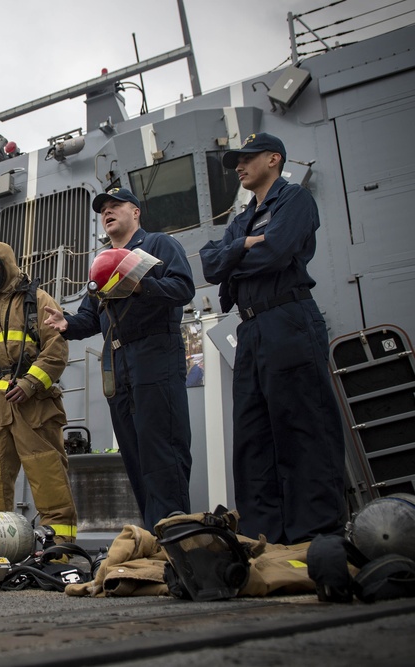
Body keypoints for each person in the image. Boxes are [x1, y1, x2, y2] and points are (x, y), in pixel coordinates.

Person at [200, 132, 346, 544]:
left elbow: (277, 252)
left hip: (288, 319)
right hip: (249, 330)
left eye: (247, 159)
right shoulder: (243, 219)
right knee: (253, 436)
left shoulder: (295, 201)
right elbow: (211, 266)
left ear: (274, 160)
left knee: (303, 426)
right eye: (237, 162)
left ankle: (315, 535)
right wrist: (243, 246)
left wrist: (236, 258)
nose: (239, 167)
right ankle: (264, 536)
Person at [44, 187, 195, 529]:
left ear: (136, 212)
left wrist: (140, 285)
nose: (107, 212)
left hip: (155, 355)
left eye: (115, 206)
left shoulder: (158, 245)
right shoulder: (101, 263)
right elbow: (89, 317)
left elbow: (183, 289)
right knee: (136, 456)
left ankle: (176, 536)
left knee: (163, 452)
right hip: (119, 365)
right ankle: (155, 535)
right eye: (103, 210)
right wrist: (66, 324)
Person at [0, 243, 77, 543]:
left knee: (48, 475)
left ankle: (60, 548)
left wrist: (30, 383)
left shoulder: (37, 300)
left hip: (32, 404)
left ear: (7, 265)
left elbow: (57, 349)